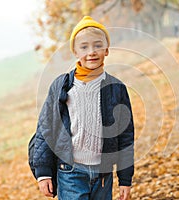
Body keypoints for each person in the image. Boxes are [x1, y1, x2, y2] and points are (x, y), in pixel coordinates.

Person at [33, 16, 134, 200]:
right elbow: (45, 128)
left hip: (103, 176)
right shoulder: (62, 86)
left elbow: (125, 136)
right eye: (84, 47)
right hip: (70, 172)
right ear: (75, 51)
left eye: (97, 45)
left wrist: (125, 179)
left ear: (107, 50)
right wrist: (43, 172)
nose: (92, 52)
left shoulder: (116, 88)